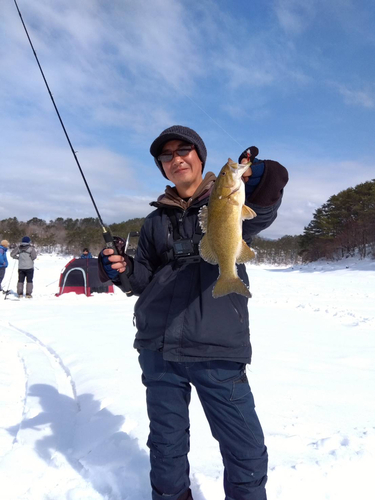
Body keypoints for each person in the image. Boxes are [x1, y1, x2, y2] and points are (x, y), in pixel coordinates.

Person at [99, 125, 288, 500]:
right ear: (162, 167)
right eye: (166, 156)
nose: (176, 159)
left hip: (217, 349)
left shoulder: (226, 199)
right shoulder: (155, 221)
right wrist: (121, 270)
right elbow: (144, 280)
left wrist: (259, 172)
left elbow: (267, 199)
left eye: (184, 150)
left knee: (245, 449)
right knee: (166, 447)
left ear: (200, 157)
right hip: (158, 349)